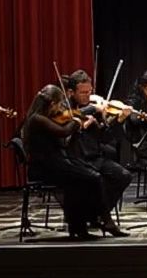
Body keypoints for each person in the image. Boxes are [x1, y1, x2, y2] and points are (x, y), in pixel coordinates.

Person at [21, 85, 115, 239]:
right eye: (59, 104)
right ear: (51, 104)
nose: (60, 109)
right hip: (44, 167)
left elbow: (62, 140)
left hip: (56, 163)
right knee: (92, 178)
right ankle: (96, 220)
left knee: (83, 180)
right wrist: (77, 121)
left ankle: (80, 226)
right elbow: (63, 132)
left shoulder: (46, 117)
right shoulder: (37, 119)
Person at [64, 70, 132, 235]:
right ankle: (103, 218)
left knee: (123, 175)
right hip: (76, 158)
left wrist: (118, 120)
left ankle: (98, 215)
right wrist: (91, 109)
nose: (87, 96)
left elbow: (106, 137)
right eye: (83, 93)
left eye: (90, 92)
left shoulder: (95, 110)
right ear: (71, 92)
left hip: (95, 156)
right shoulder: (64, 109)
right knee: (95, 180)